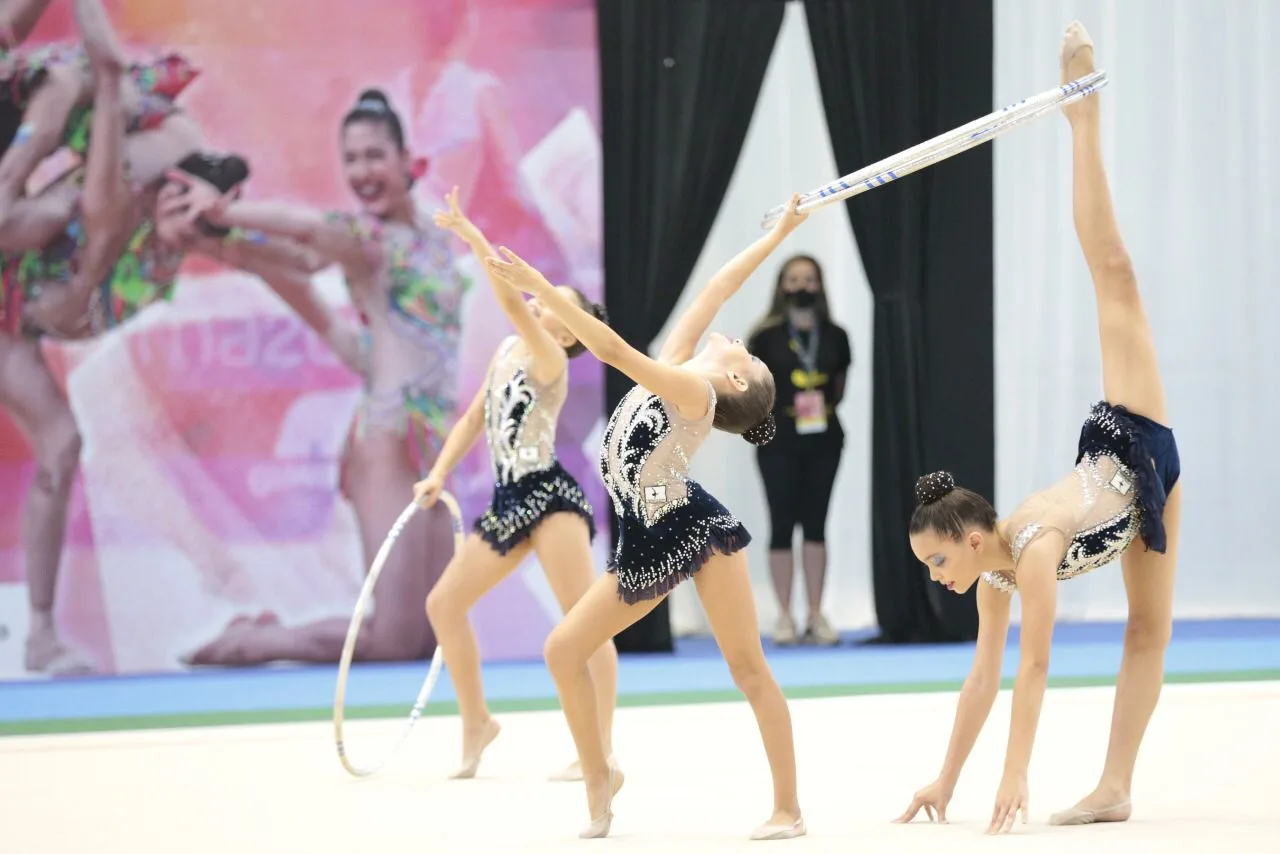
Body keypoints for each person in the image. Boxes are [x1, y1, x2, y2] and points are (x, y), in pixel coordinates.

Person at [894, 22, 1181, 834]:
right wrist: (945, 780)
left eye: (938, 558)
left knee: (1113, 274)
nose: (936, 576)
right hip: (1140, 494)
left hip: (1132, 440)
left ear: (976, 536)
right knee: (1148, 628)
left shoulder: (1035, 550)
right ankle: (1115, 787)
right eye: (927, 567)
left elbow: (1036, 663)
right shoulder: (992, 576)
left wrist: (1015, 770)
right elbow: (983, 679)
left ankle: (1082, 120)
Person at [0, 0, 323, 676]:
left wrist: (344, 333)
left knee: (62, 445)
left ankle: (38, 635)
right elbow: (111, 75)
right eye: (177, 200)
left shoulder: (198, 228)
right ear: (161, 190)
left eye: (194, 211)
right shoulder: (110, 202)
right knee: (40, 204)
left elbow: (302, 264)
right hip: (27, 281)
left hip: (31, 304)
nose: (182, 217)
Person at [485, 194, 810, 841]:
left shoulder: (693, 391)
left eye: (752, 358)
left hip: (692, 530)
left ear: (738, 383)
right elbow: (719, 285)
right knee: (563, 649)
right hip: (644, 537)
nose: (742, 342)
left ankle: (788, 809)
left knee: (746, 668)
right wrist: (776, 236)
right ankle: (600, 774)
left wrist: (541, 287)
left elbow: (610, 350)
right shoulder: (686, 360)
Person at [170, 88, 472, 666]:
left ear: (407, 159)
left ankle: (254, 635)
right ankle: (250, 643)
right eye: (351, 159)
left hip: (438, 447)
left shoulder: (435, 239)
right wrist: (223, 216)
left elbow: (309, 274)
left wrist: (234, 245)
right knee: (392, 639)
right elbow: (306, 233)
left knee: (433, 638)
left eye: (374, 155)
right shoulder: (368, 241)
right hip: (388, 443)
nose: (362, 171)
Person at [409, 187, 618, 782]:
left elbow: (510, 304)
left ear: (571, 331)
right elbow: (475, 417)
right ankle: (476, 721)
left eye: (558, 303)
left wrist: (474, 238)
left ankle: (597, 749)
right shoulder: (508, 349)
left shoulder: (550, 357)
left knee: (583, 620)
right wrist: (439, 473)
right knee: (443, 603)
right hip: (507, 501)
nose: (541, 304)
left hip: (549, 499)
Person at [747, 254, 851, 646]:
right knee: (780, 524)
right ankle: (785, 616)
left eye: (809, 279)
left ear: (820, 285)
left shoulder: (836, 335)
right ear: (781, 286)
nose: (802, 287)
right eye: (794, 279)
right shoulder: (765, 336)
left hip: (824, 440)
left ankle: (815, 614)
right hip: (777, 440)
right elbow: (754, 391)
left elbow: (839, 389)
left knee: (816, 524)